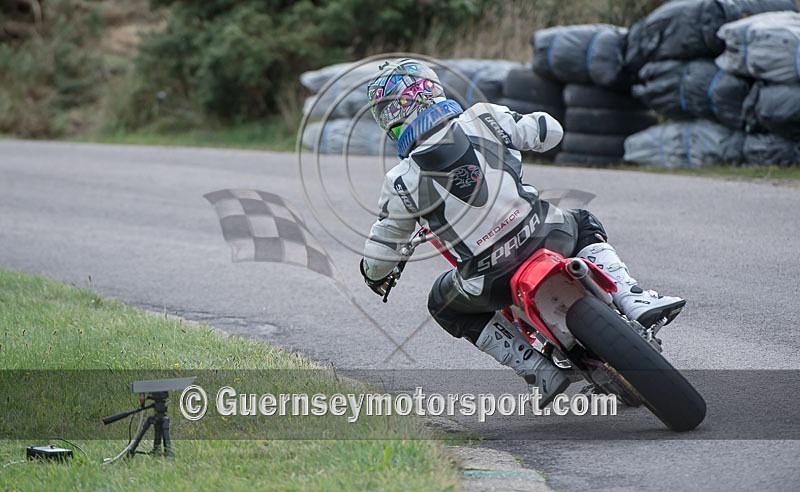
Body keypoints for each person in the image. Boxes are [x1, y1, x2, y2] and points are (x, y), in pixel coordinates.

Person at [359, 58, 685, 405]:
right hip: (548, 234)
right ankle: (631, 297)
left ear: (390, 117)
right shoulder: (483, 117)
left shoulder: (400, 182)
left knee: (444, 305)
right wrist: (533, 130)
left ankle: (536, 369)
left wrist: (372, 274)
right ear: (431, 89)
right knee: (584, 221)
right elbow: (549, 132)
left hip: (488, 280)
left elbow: (382, 250)